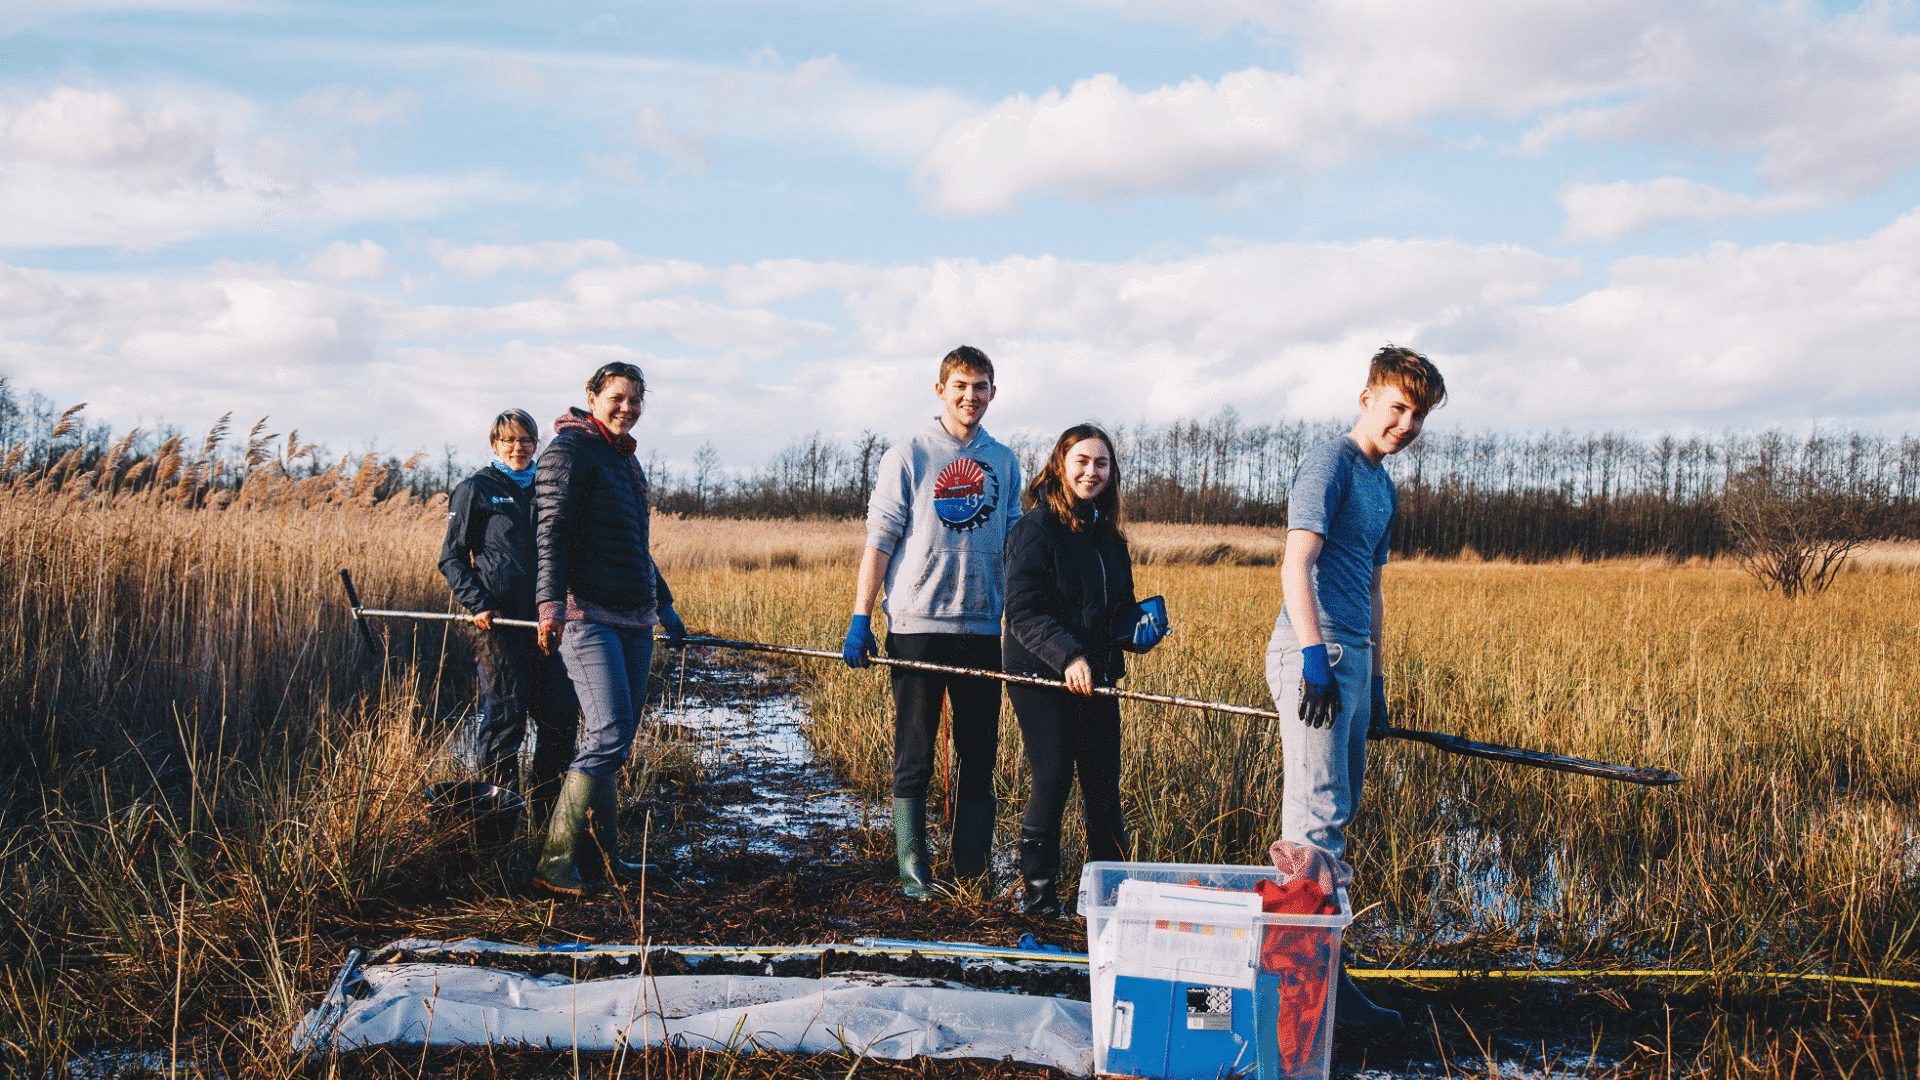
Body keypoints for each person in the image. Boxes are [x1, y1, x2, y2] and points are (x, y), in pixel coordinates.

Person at [1265, 344, 1446, 1034]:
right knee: (1313, 819)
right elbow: (1297, 563)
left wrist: (1376, 681)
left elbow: (1372, 586)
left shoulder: (1383, 486)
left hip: (1354, 657)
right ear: (1368, 395)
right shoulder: (1329, 463)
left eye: (1418, 415)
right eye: (1398, 406)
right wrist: (1315, 657)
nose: (1405, 423)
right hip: (1315, 651)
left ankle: (1322, 975)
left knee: (1335, 818)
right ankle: (1305, 993)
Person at [841, 345, 1022, 900]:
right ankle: (914, 873)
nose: (971, 396)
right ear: (940, 390)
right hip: (917, 627)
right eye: (961, 386)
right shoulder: (909, 454)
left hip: (982, 631)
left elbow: (1016, 544)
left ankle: (971, 873)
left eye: (981, 386)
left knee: (979, 753)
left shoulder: (1005, 461)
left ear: (993, 392)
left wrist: (1023, 618)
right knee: (914, 754)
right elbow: (880, 541)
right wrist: (860, 616)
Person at [530, 362, 690, 898]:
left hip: (632, 616)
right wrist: (549, 604)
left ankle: (605, 859)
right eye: (618, 397)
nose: (628, 407)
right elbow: (550, 533)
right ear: (593, 397)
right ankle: (554, 861)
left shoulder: (624, 459)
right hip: (586, 613)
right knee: (608, 733)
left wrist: (663, 603)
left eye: (637, 399)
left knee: (616, 738)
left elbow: (633, 544)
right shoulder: (569, 452)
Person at [1002, 424, 1167, 916]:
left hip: (1097, 677)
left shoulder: (1109, 538)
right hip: (1039, 673)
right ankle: (1039, 899)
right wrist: (1069, 656)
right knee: (1053, 777)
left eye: (1101, 464)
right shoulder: (1034, 529)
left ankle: (1107, 898)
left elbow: (1116, 609)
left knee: (1102, 783)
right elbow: (1024, 612)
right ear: (1060, 465)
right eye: (1082, 462)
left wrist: (1137, 627)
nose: (1091, 472)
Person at [437, 409, 579, 825]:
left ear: (537, 443)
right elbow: (451, 558)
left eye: (526, 440)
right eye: (509, 441)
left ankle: (544, 815)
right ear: (495, 444)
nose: (518, 448)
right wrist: (477, 602)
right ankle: (497, 821)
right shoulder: (476, 489)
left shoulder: (547, 487)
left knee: (559, 717)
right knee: (505, 721)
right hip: (498, 627)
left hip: (548, 623)